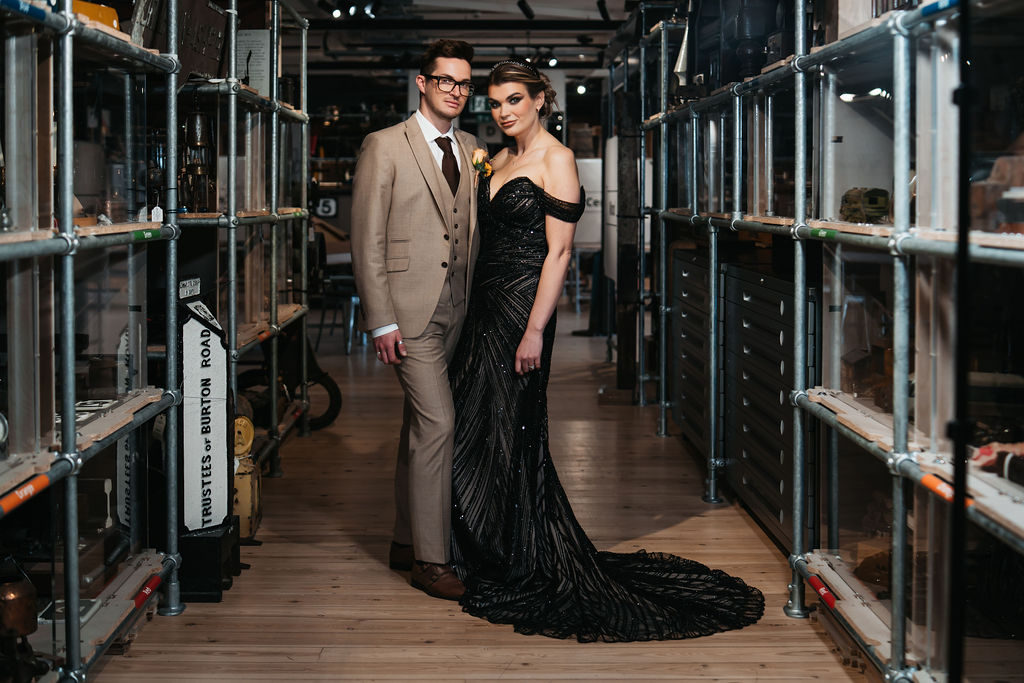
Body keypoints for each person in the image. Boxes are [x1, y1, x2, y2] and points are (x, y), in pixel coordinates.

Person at [447, 58, 765, 641]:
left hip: (522, 310)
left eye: (514, 99)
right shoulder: (498, 158)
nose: (503, 111)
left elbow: (559, 253)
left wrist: (536, 329)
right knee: (475, 425)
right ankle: (486, 546)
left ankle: (521, 554)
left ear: (539, 100)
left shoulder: (557, 159)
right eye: (494, 103)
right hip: (483, 307)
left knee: (514, 428)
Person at [350, 39, 487, 601]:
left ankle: (405, 540)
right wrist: (380, 320)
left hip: (458, 307)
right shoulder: (384, 145)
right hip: (408, 312)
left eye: (464, 83)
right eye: (446, 80)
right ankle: (431, 561)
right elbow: (367, 239)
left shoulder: (473, 147)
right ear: (423, 83)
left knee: (419, 424)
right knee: (438, 424)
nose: (456, 91)